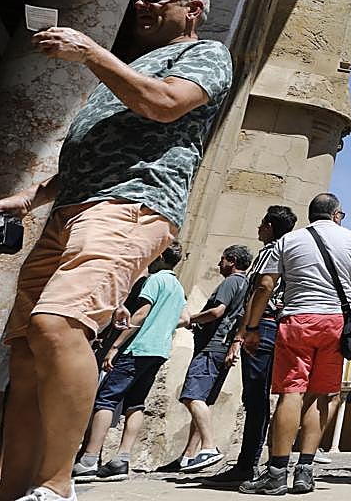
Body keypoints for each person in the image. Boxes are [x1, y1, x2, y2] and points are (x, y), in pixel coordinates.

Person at [0, 0, 233, 501]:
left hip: (131, 204)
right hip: (72, 209)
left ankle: (57, 485)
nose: (140, 5)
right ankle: (11, 487)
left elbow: (165, 105)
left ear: (191, 9)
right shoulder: (134, 66)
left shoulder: (205, 54)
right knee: (28, 351)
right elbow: (98, 143)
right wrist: (32, 198)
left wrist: (92, 54)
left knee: (59, 324)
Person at [237, 193, 351, 495]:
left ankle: (277, 472)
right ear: (335, 213)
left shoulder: (288, 241)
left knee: (291, 393)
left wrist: (251, 327)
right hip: (335, 324)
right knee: (321, 395)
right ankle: (305, 471)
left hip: (297, 320)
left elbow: (265, 284)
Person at [72, 242, 189, 482]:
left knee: (106, 398)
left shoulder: (155, 280)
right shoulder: (177, 286)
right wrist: (163, 326)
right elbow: (185, 318)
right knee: (136, 403)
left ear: (158, 257)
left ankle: (89, 460)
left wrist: (115, 346)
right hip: (159, 350)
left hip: (137, 348)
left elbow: (141, 313)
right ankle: (122, 459)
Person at [204, 206, 298, 485]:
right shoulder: (290, 251)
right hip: (276, 327)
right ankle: (264, 462)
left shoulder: (270, 253)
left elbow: (259, 293)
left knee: (255, 399)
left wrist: (243, 333)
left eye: (261, 224)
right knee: (263, 398)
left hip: (263, 326)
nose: (258, 228)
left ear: (269, 226)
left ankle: (247, 465)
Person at [165, 244, 252, 473]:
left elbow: (216, 312)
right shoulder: (246, 285)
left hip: (211, 347)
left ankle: (209, 446)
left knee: (192, 397)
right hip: (223, 348)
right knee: (202, 401)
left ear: (232, 260)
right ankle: (189, 456)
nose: (219, 264)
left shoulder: (231, 282)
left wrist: (189, 319)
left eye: (222, 259)